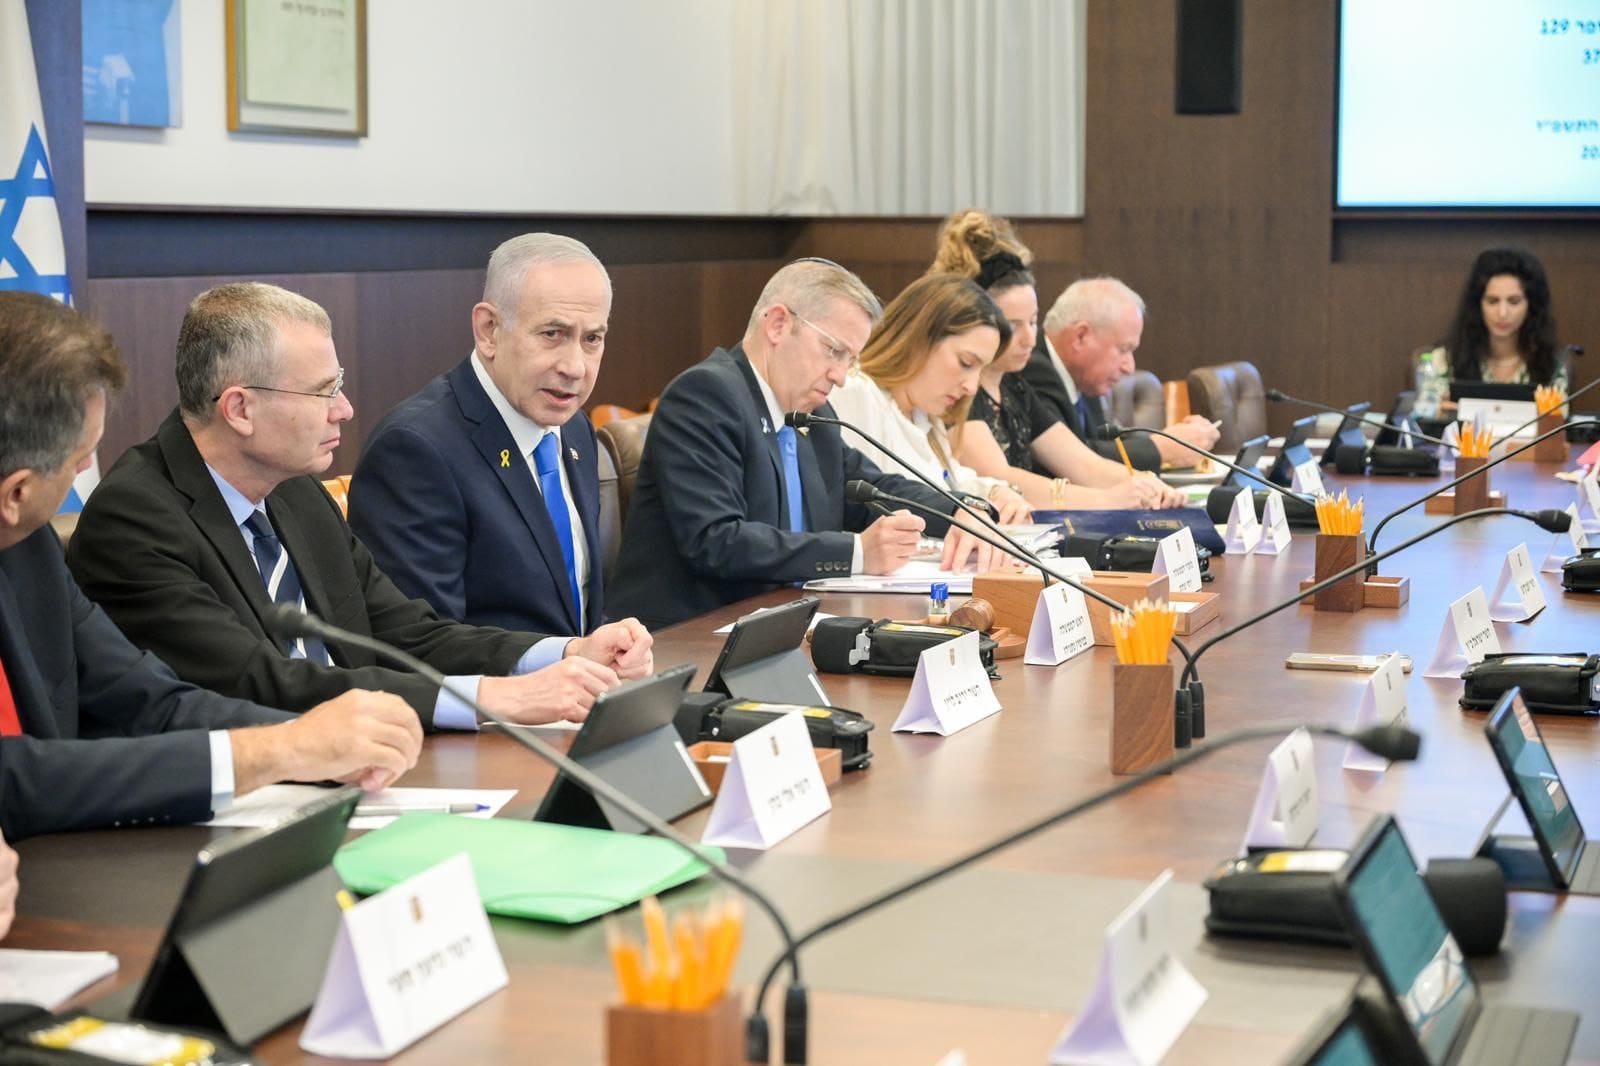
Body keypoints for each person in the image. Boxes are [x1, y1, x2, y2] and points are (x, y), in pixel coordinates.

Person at [69, 283, 651, 734]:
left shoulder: (293, 490)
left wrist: (562, 653)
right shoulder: (135, 520)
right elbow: (259, 683)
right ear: (240, 409)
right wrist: (488, 698)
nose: (344, 409)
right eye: (322, 391)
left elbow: (406, 633)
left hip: (364, 763)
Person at [0, 292, 421, 840]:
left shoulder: (27, 548)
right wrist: (275, 751)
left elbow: (145, 696)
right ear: (16, 494)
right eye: (81, 459)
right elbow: (16, 775)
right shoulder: (125, 515)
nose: (87, 470)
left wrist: (308, 742)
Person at [607, 259, 981, 630]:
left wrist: (963, 512)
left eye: (850, 360)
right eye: (833, 350)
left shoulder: (811, 414)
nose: (840, 376)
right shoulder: (706, 395)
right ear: (778, 324)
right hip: (688, 636)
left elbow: (872, 489)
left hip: (781, 626)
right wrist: (856, 552)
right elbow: (716, 540)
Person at [350, 233, 616, 637]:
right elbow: (420, 641)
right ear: (489, 329)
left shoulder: (573, 427)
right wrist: (564, 658)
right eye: (553, 334)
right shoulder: (414, 450)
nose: (575, 367)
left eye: (592, 338)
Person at [925, 211, 1184, 510]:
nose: (1029, 338)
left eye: (1033, 321)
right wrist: (1105, 498)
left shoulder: (1014, 386)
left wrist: (1146, 484)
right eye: (1013, 325)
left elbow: (1083, 464)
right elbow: (999, 477)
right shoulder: (959, 388)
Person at [827, 274, 1033, 522]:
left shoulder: (924, 413)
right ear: (919, 340)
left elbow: (950, 482)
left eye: (981, 370)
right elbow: (864, 504)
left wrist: (995, 492)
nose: (971, 387)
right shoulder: (857, 394)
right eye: (966, 363)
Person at [1024, 277, 1221, 469]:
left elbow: (1100, 444)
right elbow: (1070, 459)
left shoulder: (1084, 376)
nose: (1130, 367)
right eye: (1123, 349)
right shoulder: (1032, 370)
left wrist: (1176, 441)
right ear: (1080, 337)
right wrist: (1162, 448)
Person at [1413, 246, 1568, 419]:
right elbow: (1418, 419)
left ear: (1532, 306)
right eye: (1492, 301)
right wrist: (1438, 417)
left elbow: (1560, 420)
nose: (1502, 313)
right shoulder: (1442, 361)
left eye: (1514, 301)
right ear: (1477, 305)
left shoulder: (1551, 363)